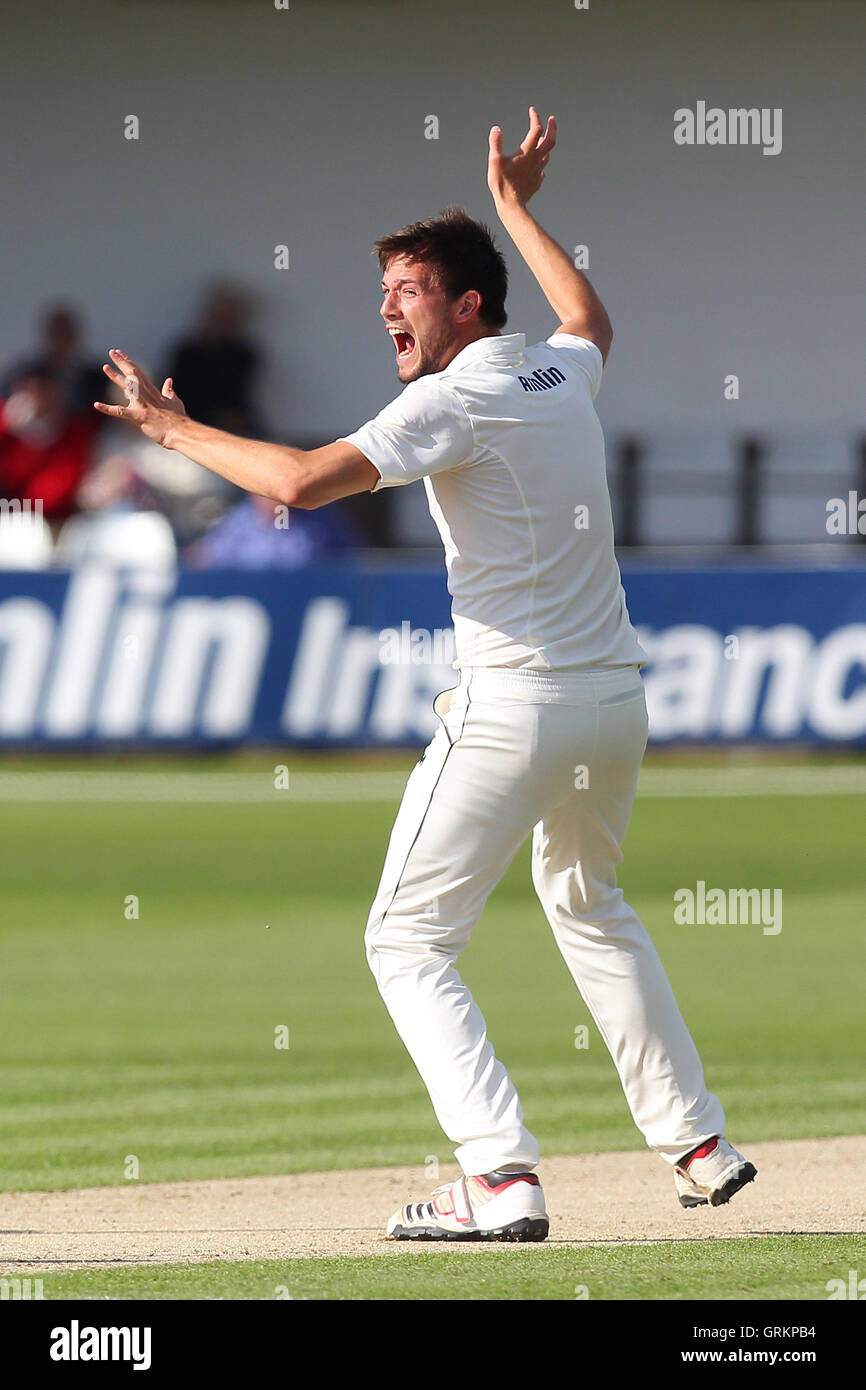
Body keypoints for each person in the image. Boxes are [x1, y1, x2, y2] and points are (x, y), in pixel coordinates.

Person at [95, 107, 756, 1242]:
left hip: (517, 706)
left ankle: (498, 1177)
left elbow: (301, 480)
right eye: (385, 289)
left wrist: (172, 431)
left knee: (404, 940)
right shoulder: (554, 371)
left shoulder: (455, 396)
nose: (386, 305)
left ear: (466, 307)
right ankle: (696, 1138)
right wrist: (513, 208)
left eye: (408, 288)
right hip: (613, 703)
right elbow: (590, 315)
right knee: (588, 903)